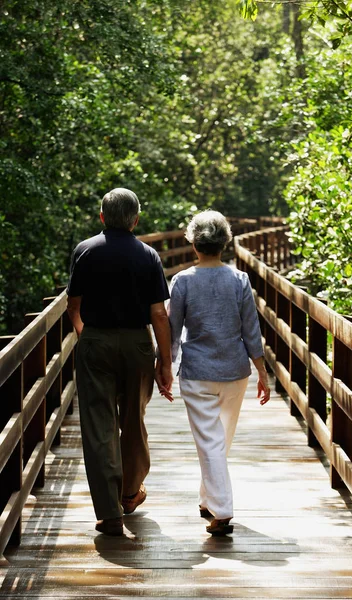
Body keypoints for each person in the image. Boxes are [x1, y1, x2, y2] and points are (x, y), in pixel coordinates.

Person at [66, 187, 173, 537]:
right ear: (136, 219)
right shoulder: (148, 255)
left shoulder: (85, 251)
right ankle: (129, 493)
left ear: (101, 217)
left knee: (99, 426)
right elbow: (158, 313)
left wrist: (88, 337)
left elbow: (74, 306)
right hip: (136, 344)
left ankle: (109, 512)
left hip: (95, 339)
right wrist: (165, 361)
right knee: (133, 420)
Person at [167, 210, 271, 536]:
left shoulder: (182, 281)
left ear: (193, 244)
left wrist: (164, 368)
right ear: (225, 243)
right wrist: (262, 372)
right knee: (219, 440)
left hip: (197, 373)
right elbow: (252, 332)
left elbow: (172, 332)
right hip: (236, 372)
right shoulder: (239, 280)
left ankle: (222, 510)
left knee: (212, 442)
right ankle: (208, 500)